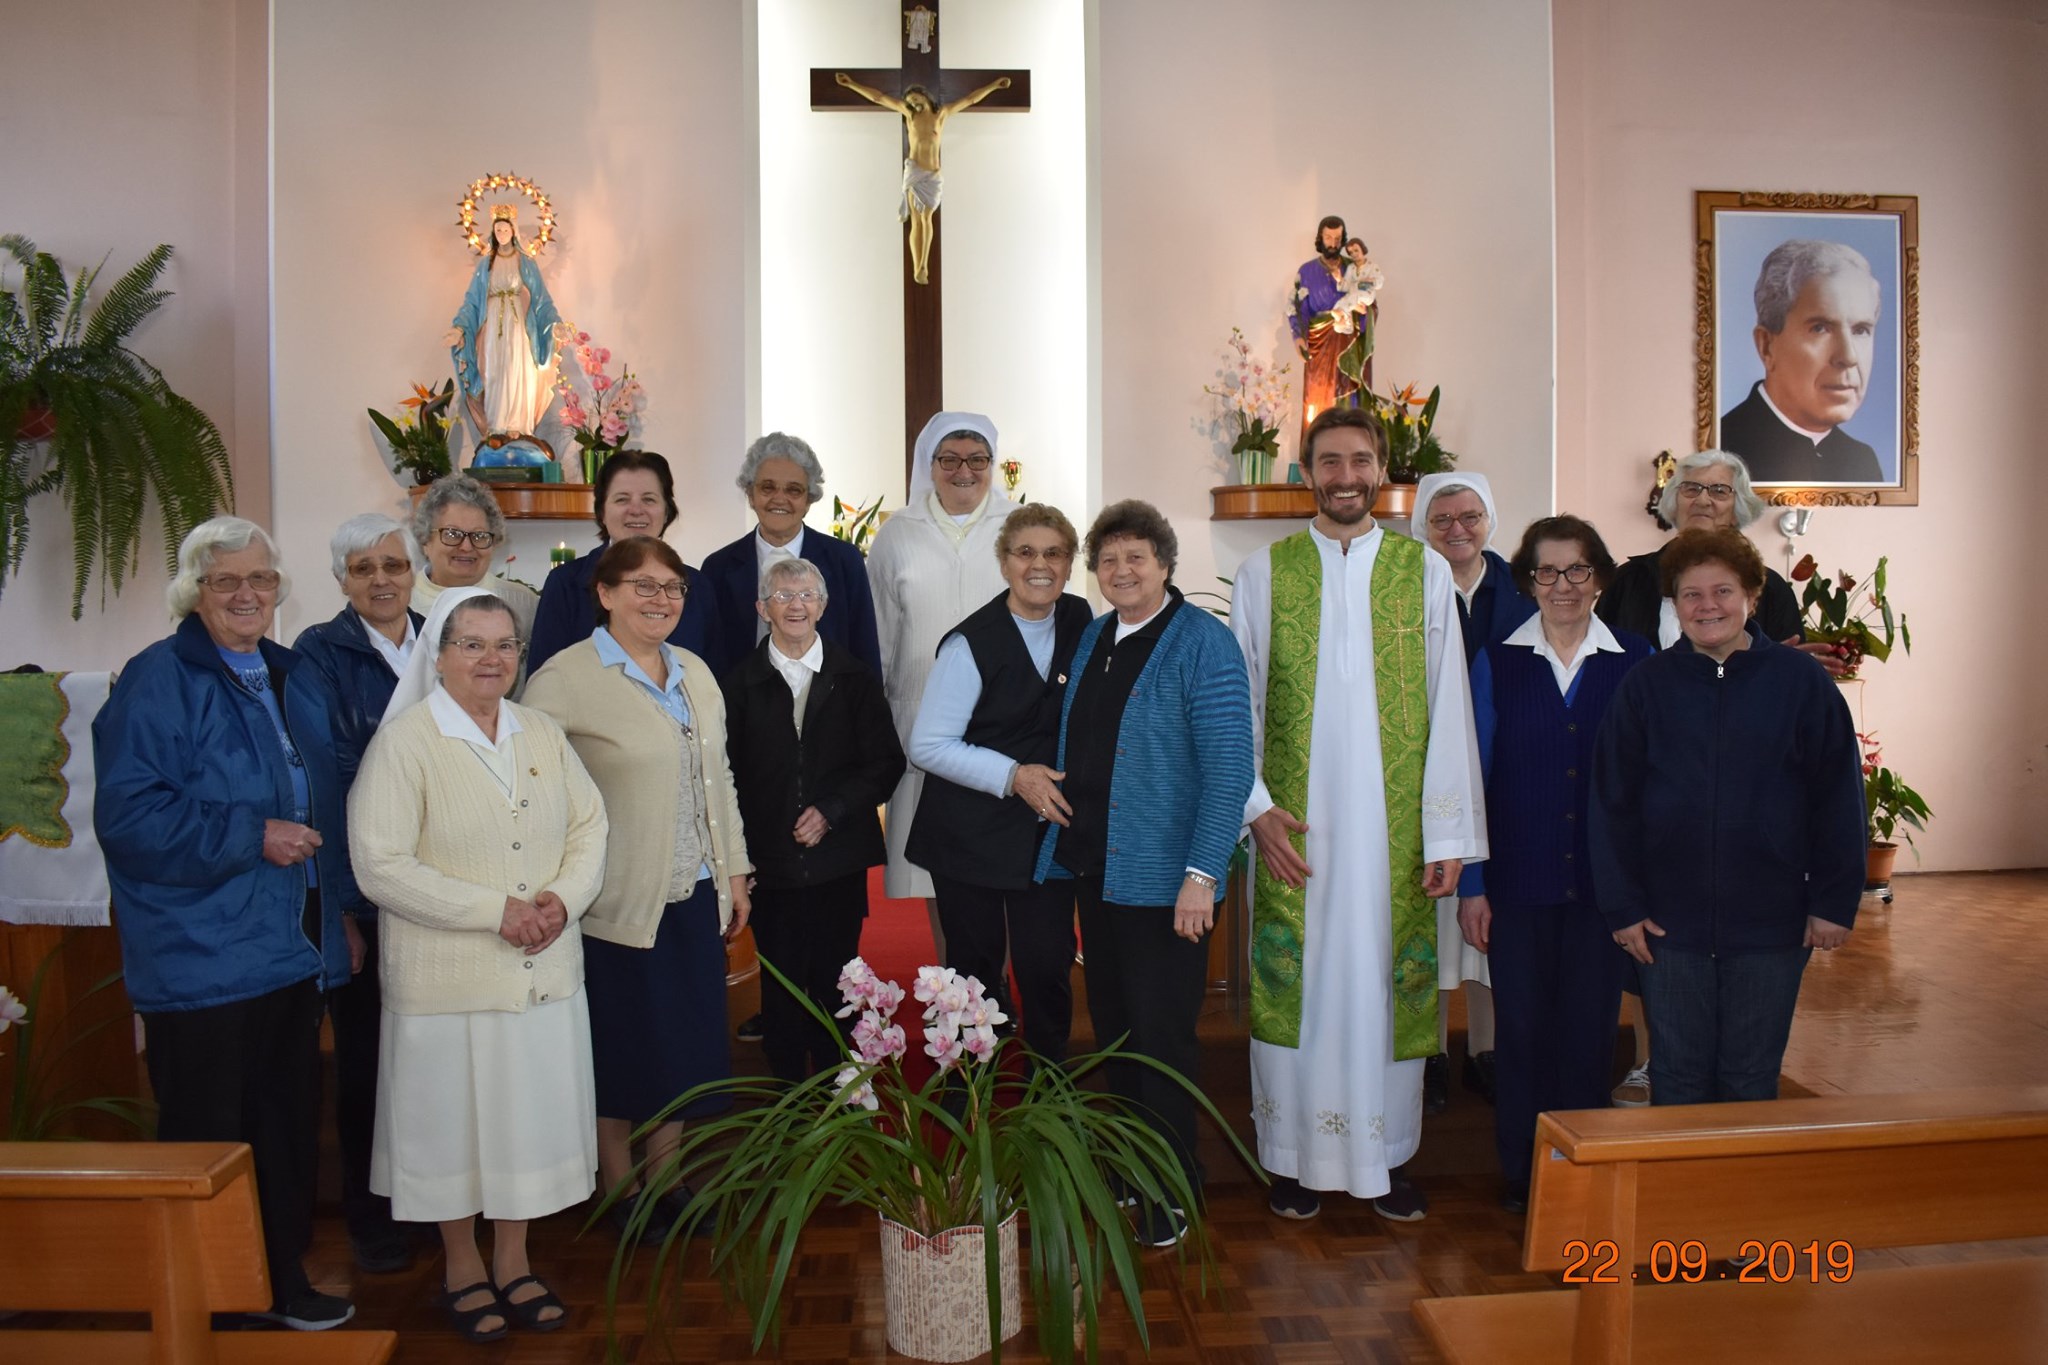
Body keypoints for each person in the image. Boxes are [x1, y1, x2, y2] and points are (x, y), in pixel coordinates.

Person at [94, 516, 357, 1331]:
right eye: (225, 581)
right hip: (201, 958)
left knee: (281, 1131)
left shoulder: (289, 673)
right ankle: (209, 1299)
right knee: (211, 1139)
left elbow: (328, 805)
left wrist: (339, 911)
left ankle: (282, 1282)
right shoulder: (158, 679)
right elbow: (132, 819)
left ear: (279, 588)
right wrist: (252, 835)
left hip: (287, 949)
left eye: (261, 579)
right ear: (194, 591)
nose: (247, 594)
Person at [1232, 407, 1485, 1225]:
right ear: (1306, 473)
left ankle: (1382, 1153)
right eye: (1329, 461)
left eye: (1361, 460)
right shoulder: (1265, 573)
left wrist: (1447, 833)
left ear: (1382, 472)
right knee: (1295, 983)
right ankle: (1295, 1159)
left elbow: (1450, 706)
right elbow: (1234, 705)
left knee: (1384, 978)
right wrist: (1257, 812)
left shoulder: (1423, 572)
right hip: (1292, 831)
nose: (1346, 476)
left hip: (1391, 834)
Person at [350, 588, 608, 1341]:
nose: (491, 659)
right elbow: (379, 865)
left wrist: (561, 898)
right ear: (442, 655)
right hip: (448, 979)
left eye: (505, 646)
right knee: (451, 1130)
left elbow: (590, 826)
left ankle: (516, 1257)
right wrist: (493, 911)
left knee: (524, 1124)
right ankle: (463, 1265)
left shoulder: (542, 732)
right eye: (472, 644)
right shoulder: (405, 743)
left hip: (541, 971)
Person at [1035, 500, 1254, 1248]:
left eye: (1138, 557)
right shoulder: (1099, 634)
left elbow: (1230, 766)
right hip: (1101, 870)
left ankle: (1174, 1186)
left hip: (1169, 883)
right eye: (1109, 559)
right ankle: (1132, 1170)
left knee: (1162, 1041)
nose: (1122, 570)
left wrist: (1202, 873)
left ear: (1165, 563)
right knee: (1119, 1036)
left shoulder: (1202, 641)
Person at [524, 537, 754, 1232]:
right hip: (614, 902)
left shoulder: (695, 672)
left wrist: (736, 868)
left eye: (673, 588)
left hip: (696, 892)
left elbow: (721, 780)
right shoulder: (565, 678)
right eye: (644, 586)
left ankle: (670, 1182)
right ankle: (620, 1191)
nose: (661, 600)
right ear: (606, 592)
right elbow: (536, 794)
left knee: (685, 1050)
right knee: (622, 1050)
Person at [1590, 527, 1865, 1108]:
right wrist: (1624, 906)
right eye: (1691, 595)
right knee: (1679, 1077)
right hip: (1669, 927)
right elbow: (1612, 802)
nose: (1707, 606)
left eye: (1722, 591)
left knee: (1750, 1077)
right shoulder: (1645, 686)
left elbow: (1838, 798)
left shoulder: (1802, 685)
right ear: (1674, 604)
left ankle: (1744, 1200)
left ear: (1753, 597)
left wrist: (1833, 902)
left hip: (1774, 923)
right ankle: (1681, 1201)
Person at [1453, 515, 1651, 1212]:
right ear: (1527, 580)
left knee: (1589, 1032)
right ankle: (1524, 1175)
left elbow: (1648, 781)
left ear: (1598, 576)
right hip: (1518, 884)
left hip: (1604, 888)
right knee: (1524, 1033)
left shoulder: (1635, 657)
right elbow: (1472, 776)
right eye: (1546, 571)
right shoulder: (1498, 661)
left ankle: (1582, 1168)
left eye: (1576, 570)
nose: (1562, 585)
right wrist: (1474, 885)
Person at [906, 504, 1093, 1063]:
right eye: (1025, 552)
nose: (1040, 565)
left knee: (1046, 962)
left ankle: (1050, 1084)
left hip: (1047, 831)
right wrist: (1013, 776)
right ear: (1005, 562)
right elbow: (928, 745)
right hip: (970, 832)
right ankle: (970, 1090)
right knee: (975, 966)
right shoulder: (969, 643)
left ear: (1069, 563)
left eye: (1054, 553)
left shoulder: (1083, 620)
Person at [290, 513, 425, 1275]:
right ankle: (372, 1218)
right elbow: (324, 779)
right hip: (369, 891)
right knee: (370, 1062)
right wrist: (342, 905)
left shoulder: (442, 636)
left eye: (394, 565)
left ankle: (431, 1202)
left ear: (413, 572)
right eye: (364, 567)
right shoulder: (321, 653)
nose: (382, 579)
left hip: (440, 891)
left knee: (428, 1057)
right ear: (342, 579)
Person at [721, 558, 904, 1081]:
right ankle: (787, 1101)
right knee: (780, 987)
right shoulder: (737, 685)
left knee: (835, 979)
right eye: (782, 596)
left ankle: (837, 1087)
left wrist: (833, 810)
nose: (795, 604)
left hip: (838, 862)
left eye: (806, 595)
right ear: (763, 609)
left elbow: (885, 763)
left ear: (822, 606)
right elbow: (726, 776)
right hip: (770, 865)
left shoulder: (853, 678)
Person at [1410, 472, 1535, 1112]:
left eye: (1470, 516)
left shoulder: (1525, 585)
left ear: (1490, 518)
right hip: (1423, 772)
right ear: (1421, 527)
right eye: (1442, 519)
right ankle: (1430, 1053)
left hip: (1509, 766)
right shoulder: (1401, 587)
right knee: (1431, 918)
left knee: (1493, 922)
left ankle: (1487, 1050)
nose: (1457, 529)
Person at [867, 411, 1020, 932]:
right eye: (949, 458)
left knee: (1000, 864)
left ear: (992, 465)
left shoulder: (1019, 527)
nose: (964, 471)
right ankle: (951, 986)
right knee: (933, 867)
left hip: (1004, 722)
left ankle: (991, 989)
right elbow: (882, 636)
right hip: (919, 720)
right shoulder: (896, 535)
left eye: (977, 459)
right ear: (928, 465)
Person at [699, 431, 883, 680]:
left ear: (809, 500)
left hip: (830, 710)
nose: (779, 498)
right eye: (768, 487)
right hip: (741, 710)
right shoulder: (718, 568)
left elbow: (865, 649)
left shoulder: (844, 561)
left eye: (793, 490)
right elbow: (709, 658)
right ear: (750, 495)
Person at [526, 450, 727, 676]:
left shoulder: (697, 586)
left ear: (667, 510)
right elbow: (542, 680)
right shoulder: (566, 583)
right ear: (602, 511)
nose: (636, 510)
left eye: (649, 499)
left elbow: (714, 681)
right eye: (622, 499)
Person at [1718, 239, 1884, 485]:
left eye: (1861, 330)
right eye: (1820, 328)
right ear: (1766, 346)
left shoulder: (1863, 461)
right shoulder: (1722, 452)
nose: (1848, 357)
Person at [833, 71, 1014, 285]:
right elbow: (879, 98)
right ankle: (917, 266)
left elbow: (970, 99)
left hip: (933, 177)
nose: (912, 102)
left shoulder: (942, 115)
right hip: (915, 173)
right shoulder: (909, 116)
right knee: (916, 223)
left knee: (926, 220)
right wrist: (852, 84)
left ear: (924, 95)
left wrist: (994, 85)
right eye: (909, 101)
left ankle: (923, 265)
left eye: (914, 98)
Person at [410, 473, 542, 679]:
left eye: (479, 536)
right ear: (425, 540)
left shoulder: (523, 604)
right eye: (452, 534)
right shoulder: (403, 604)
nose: (466, 547)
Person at [446, 207, 561, 442]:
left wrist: (555, 324)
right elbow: (472, 302)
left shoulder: (525, 263)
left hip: (518, 325)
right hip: (493, 327)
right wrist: (459, 327)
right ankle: (497, 425)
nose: (501, 233)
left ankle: (518, 425)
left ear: (513, 231)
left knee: (517, 368)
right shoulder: (485, 265)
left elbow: (541, 299)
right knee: (495, 371)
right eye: (497, 229)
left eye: (505, 229)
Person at [1289, 215, 1365, 443]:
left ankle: (1349, 444)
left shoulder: (1355, 268)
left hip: (1348, 343)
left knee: (1347, 399)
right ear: (1320, 238)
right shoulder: (1307, 271)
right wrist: (1298, 337)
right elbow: (1298, 309)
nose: (1332, 243)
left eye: (1337, 238)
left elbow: (1370, 301)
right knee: (1318, 397)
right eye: (1328, 237)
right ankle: (1318, 449)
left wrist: (1365, 310)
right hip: (1319, 345)